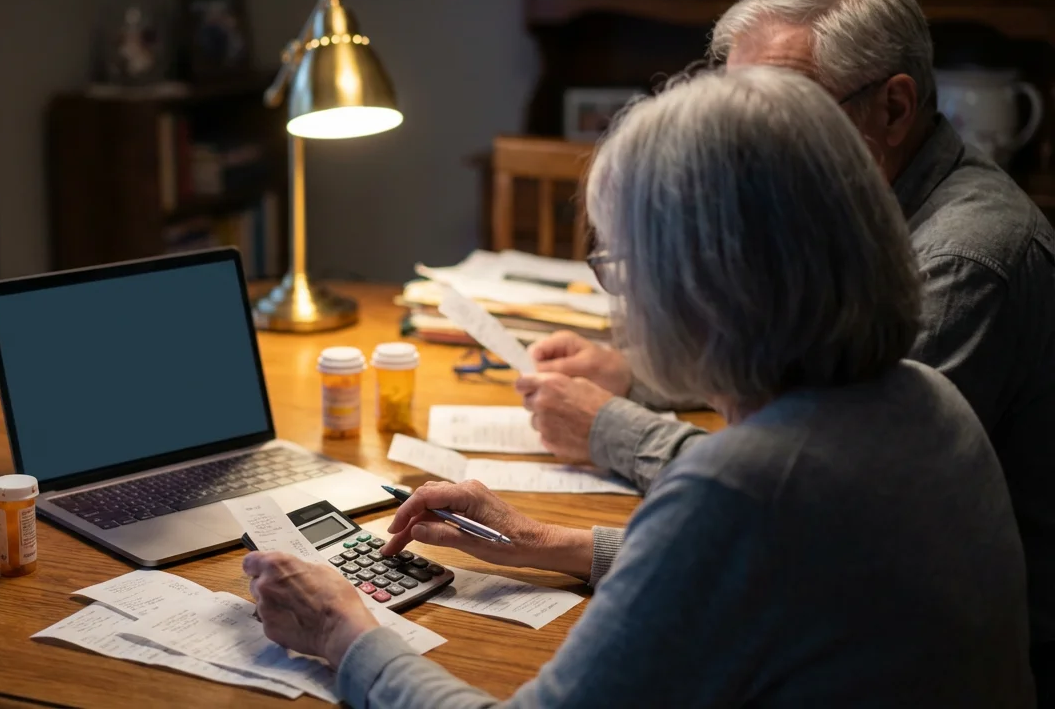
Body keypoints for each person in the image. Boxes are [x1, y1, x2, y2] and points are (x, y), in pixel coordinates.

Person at [243, 67, 1034, 707]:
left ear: (702, 283)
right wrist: (544, 543)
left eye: (618, 267)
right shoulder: (930, 399)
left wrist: (343, 633)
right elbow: (767, 576)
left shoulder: (742, 488)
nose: (614, 301)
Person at [518, 0, 1055, 698]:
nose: (738, 137)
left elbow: (793, 504)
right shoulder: (848, 233)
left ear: (893, 110)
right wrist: (634, 375)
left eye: (778, 105)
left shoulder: (964, 259)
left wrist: (607, 433)